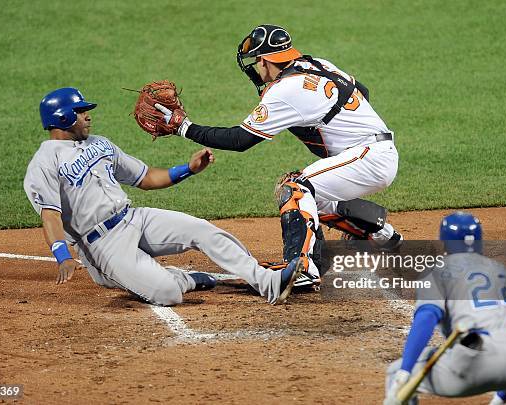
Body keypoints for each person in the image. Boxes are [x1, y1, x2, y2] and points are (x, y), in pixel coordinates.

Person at [155, 24, 403, 289]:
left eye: (256, 61)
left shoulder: (286, 90)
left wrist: (185, 128)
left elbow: (240, 140)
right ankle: (380, 234)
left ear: (264, 60)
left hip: (370, 157)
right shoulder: (318, 64)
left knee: (295, 189)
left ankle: (303, 269)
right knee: (310, 198)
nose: (256, 68)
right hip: (374, 151)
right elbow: (362, 91)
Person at [23, 87, 302, 306]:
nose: (88, 115)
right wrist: (62, 255)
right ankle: (182, 279)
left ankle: (268, 283)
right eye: (81, 111)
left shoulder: (100, 143)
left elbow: (144, 178)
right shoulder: (43, 163)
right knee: (169, 294)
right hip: (102, 245)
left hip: (134, 219)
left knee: (202, 230)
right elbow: (50, 214)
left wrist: (188, 169)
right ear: (62, 117)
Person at [383, 211, 506, 405]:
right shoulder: (503, 272)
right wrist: (501, 398)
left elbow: (426, 318)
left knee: (395, 372)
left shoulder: (437, 270)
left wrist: (404, 372)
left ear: (444, 241)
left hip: (475, 360)